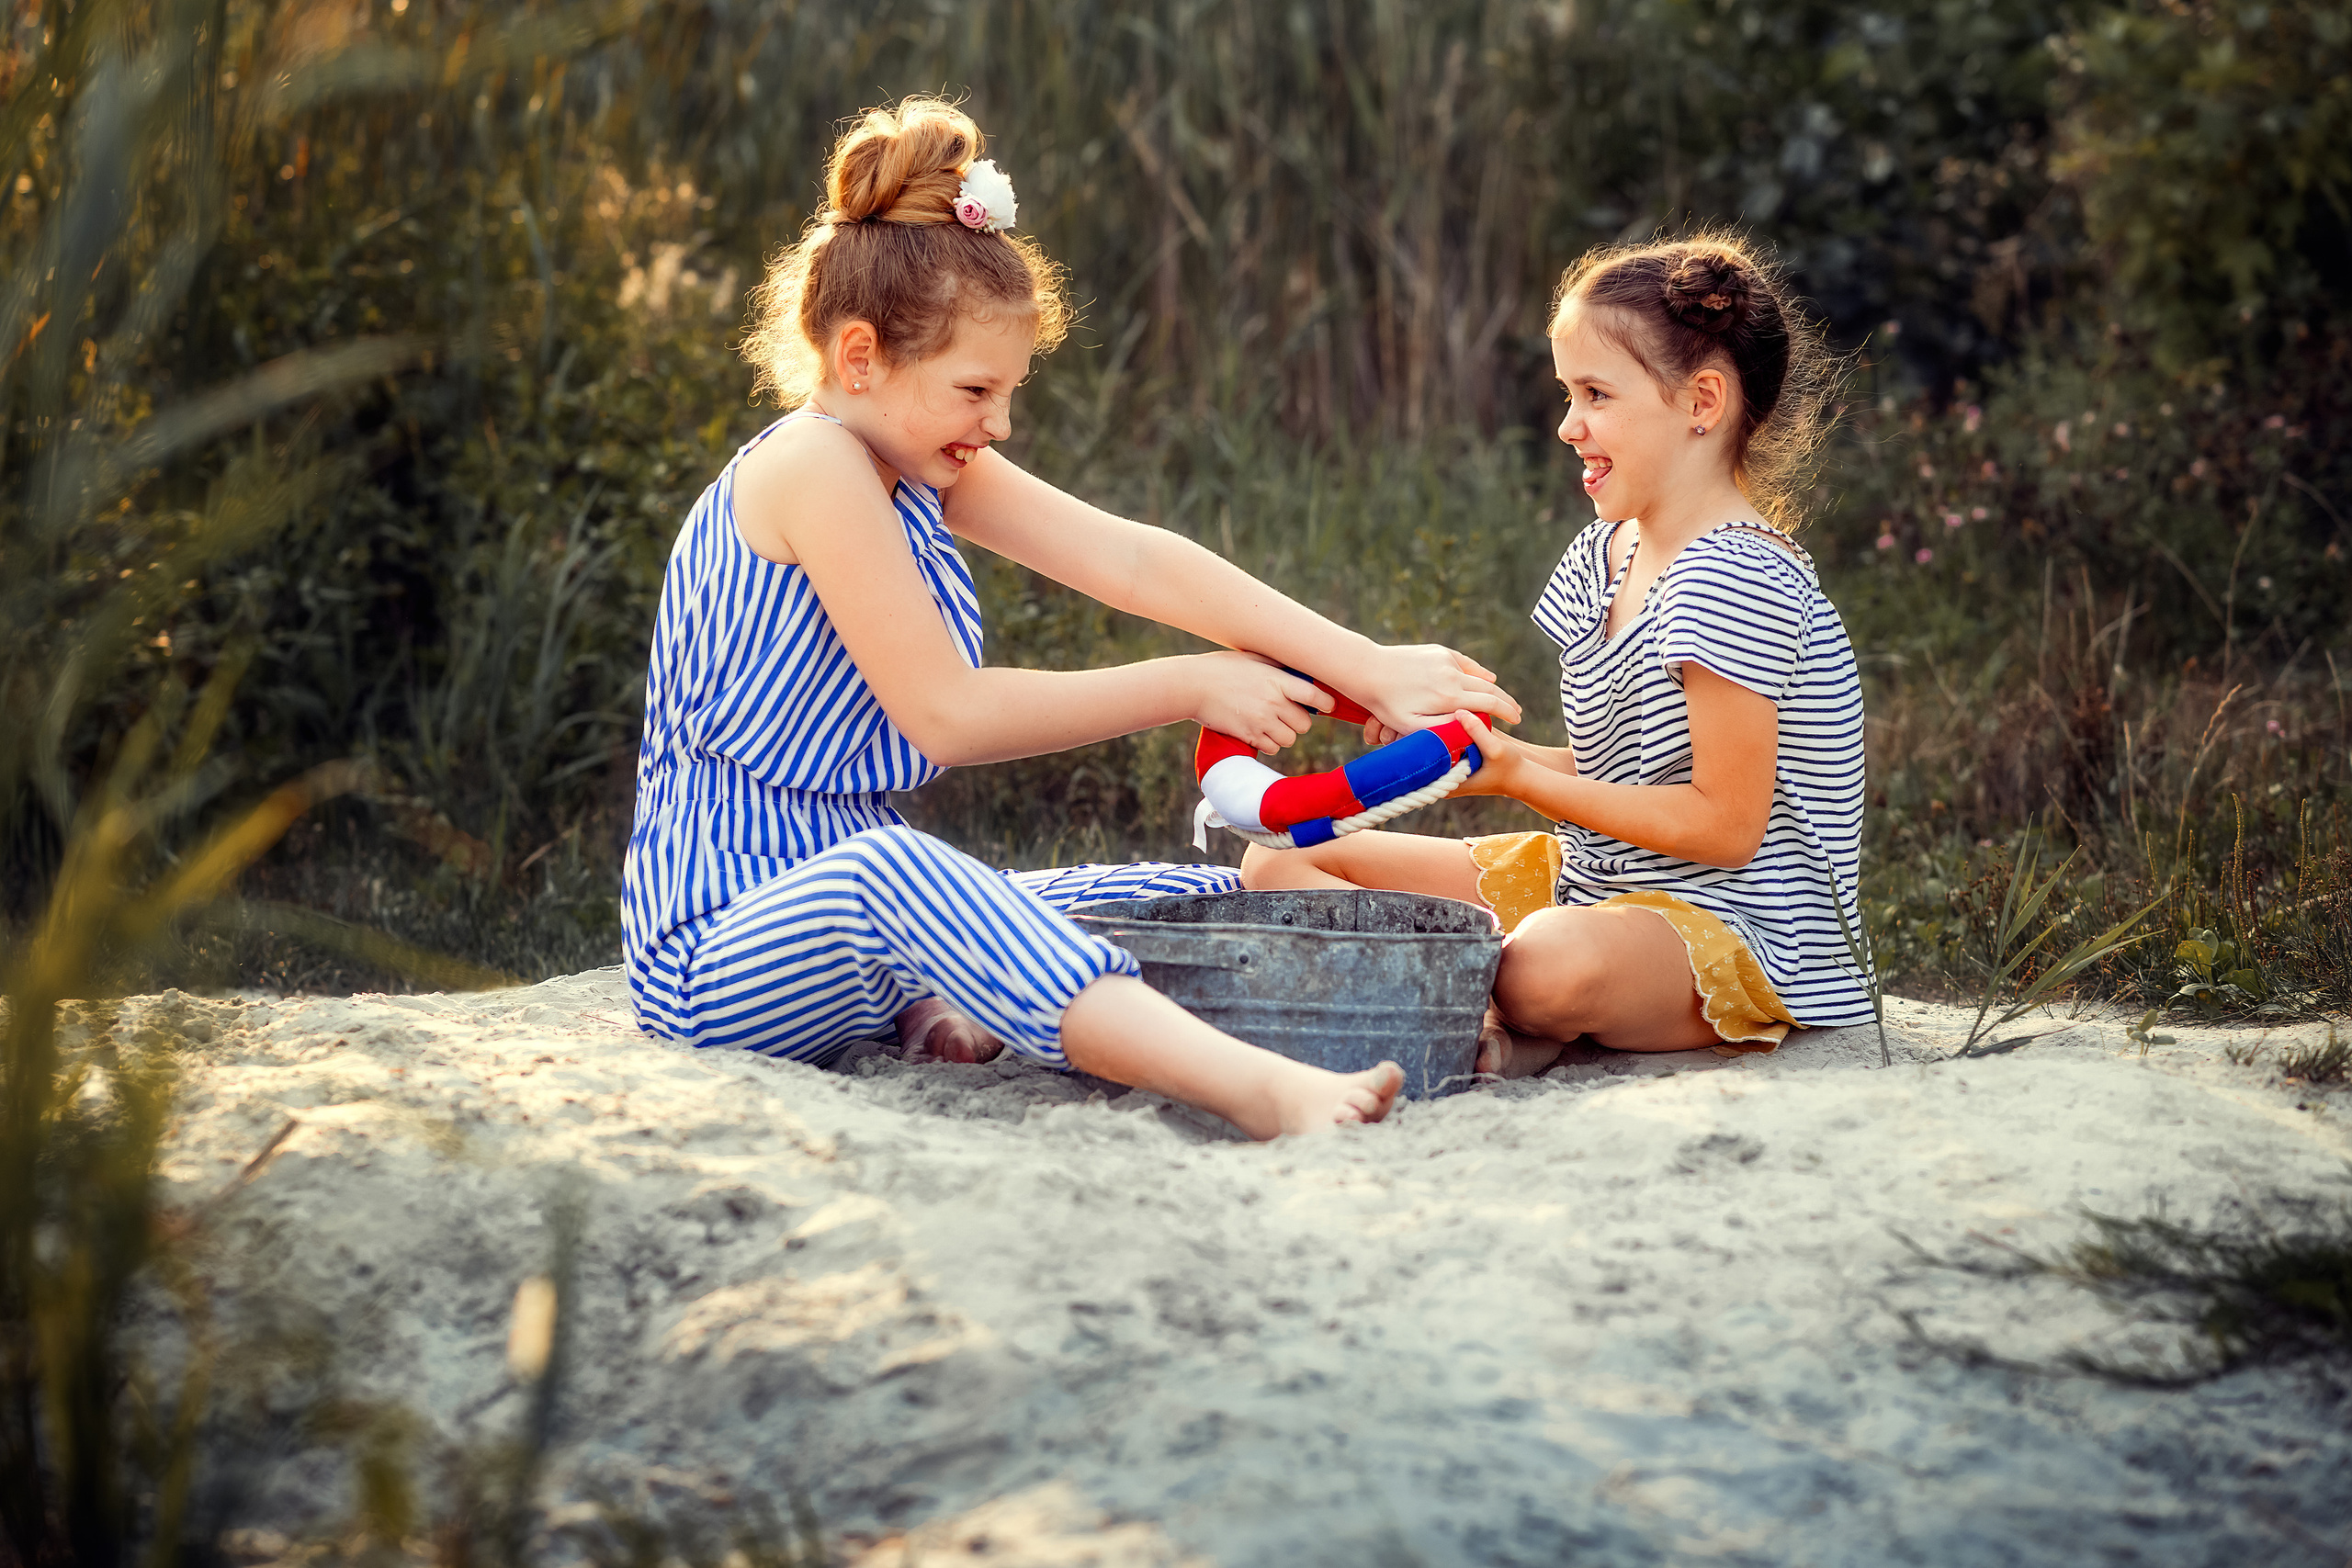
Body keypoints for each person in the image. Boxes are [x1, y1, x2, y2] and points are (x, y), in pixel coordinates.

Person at [620, 96, 1521, 1137]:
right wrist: (1190, 683)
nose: (996, 425)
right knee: (896, 871)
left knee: (1168, 894)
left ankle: (1457, 1017)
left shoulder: (907, 455)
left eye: (1009, 392)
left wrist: (1360, 665)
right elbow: (947, 716)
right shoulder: (813, 463)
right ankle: (1265, 1095)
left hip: (856, 940)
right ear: (859, 356)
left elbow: (1131, 558)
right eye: (974, 391)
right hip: (718, 950)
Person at [1243, 233, 1871, 1073]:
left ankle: (1492, 1006)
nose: (1569, 426)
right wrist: (1479, 752)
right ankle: (1496, 1021)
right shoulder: (1605, 553)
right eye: (1567, 394)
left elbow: (1724, 825)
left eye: (1596, 394)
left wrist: (1526, 782)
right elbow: (1624, 771)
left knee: (1547, 963)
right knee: (1283, 858)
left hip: (1735, 920)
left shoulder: (1737, 576)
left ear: (1702, 402)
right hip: (1597, 884)